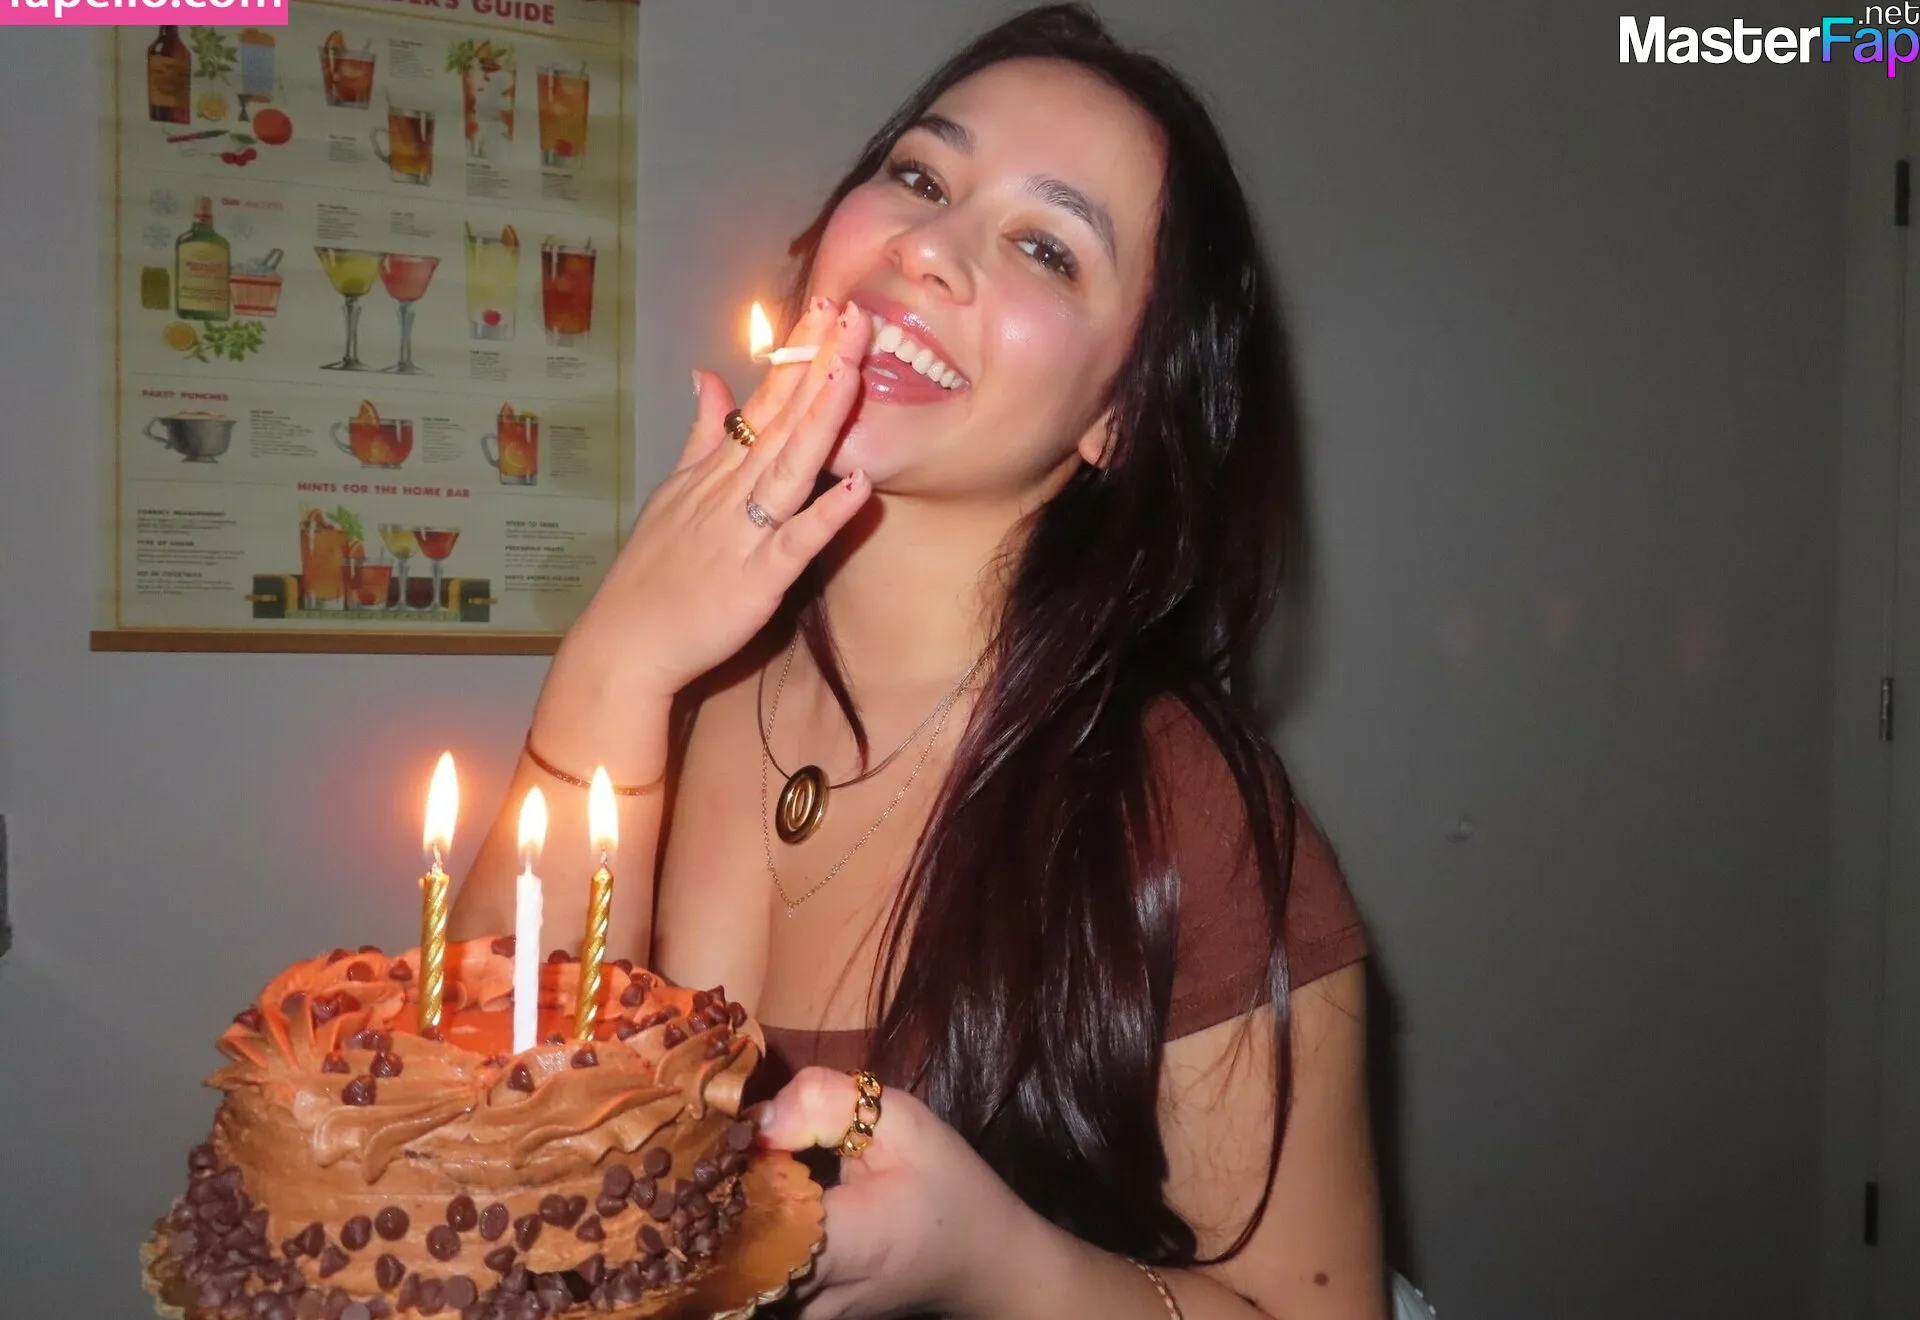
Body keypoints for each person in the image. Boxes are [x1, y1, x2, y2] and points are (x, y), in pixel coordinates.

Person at [452, 6, 1384, 1317]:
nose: (929, 247)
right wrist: (612, 658)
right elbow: (469, 1155)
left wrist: (997, 1263)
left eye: (1047, 246)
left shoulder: (1185, 808)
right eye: (920, 176)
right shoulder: (673, 692)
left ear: (1121, 414)